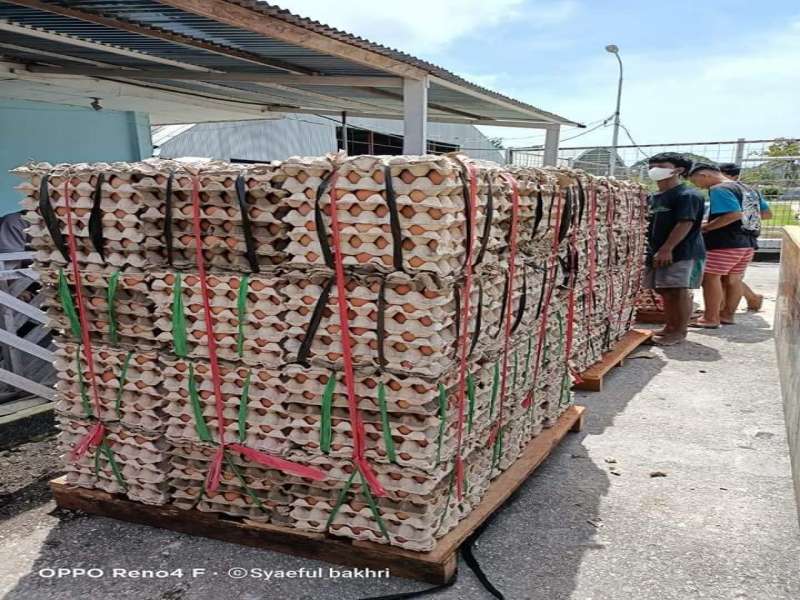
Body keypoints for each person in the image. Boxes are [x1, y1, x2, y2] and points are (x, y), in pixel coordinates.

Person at [688, 163, 762, 328]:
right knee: (734, 279)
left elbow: (734, 214)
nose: (697, 186)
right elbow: (765, 213)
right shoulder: (748, 189)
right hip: (748, 242)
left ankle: (710, 318)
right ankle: (727, 315)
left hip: (725, 242)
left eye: (695, 182)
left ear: (704, 175)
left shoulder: (718, 189)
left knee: (710, 277)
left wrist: (705, 227)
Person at [642, 153, 706, 345]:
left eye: (661, 165)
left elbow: (685, 223)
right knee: (664, 290)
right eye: (652, 165)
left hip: (682, 251)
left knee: (677, 290)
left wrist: (667, 248)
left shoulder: (688, 195)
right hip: (658, 250)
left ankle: (678, 331)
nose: (654, 169)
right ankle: (670, 326)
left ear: (678, 170)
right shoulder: (656, 197)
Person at [717, 162, 771, 312]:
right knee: (728, 277)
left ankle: (723, 308)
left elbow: (767, 214)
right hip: (745, 240)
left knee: (725, 277)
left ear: (732, 176)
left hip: (734, 239)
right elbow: (766, 214)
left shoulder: (732, 191)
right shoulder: (749, 191)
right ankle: (749, 299)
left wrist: (735, 216)